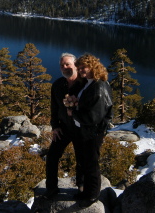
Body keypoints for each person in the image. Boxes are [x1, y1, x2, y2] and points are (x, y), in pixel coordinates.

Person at [72, 53, 113, 208]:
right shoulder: (89, 83)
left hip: (93, 132)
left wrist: (73, 112)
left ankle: (92, 195)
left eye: (84, 67)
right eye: (79, 68)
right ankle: (86, 192)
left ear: (93, 67)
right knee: (84, 162)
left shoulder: (99, 86)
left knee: (91, 164)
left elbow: (93, 117)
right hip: (86, 131)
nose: (81, 70)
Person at [44, 53, 86, 198]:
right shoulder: (57, 85)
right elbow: (54, 108)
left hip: (81, 128)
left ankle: (81, 187)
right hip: (64, 128)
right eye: (62, 65)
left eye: (68, 64)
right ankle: (51, 188)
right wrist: (55, 126)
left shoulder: (85, 84)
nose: (64, 67)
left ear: (76, 65)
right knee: (52, 157)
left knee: (81, 158)